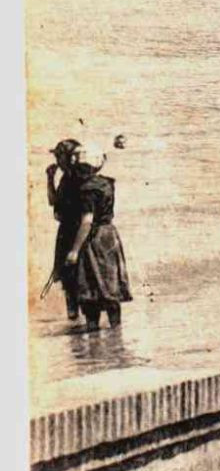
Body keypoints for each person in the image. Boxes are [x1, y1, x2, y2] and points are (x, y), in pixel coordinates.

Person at [56, 143, 131, 329]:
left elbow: (87, 221)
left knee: (90, 289)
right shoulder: (106, 183)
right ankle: (116, 332)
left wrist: (74, 250)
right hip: (110, 235)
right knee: (111, 285)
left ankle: (93, 331)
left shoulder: (87, 190)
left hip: (93, 238)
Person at [45, 139, 84, 321]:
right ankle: (73, 312)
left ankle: (79, 312)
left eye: (59, 156)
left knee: (78, 271)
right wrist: (50, 179)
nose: (57, 160)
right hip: (66, 229)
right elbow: (53, 201)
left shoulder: (77, 177)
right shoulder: (65, 178)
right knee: (68, 273)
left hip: (75, 229)